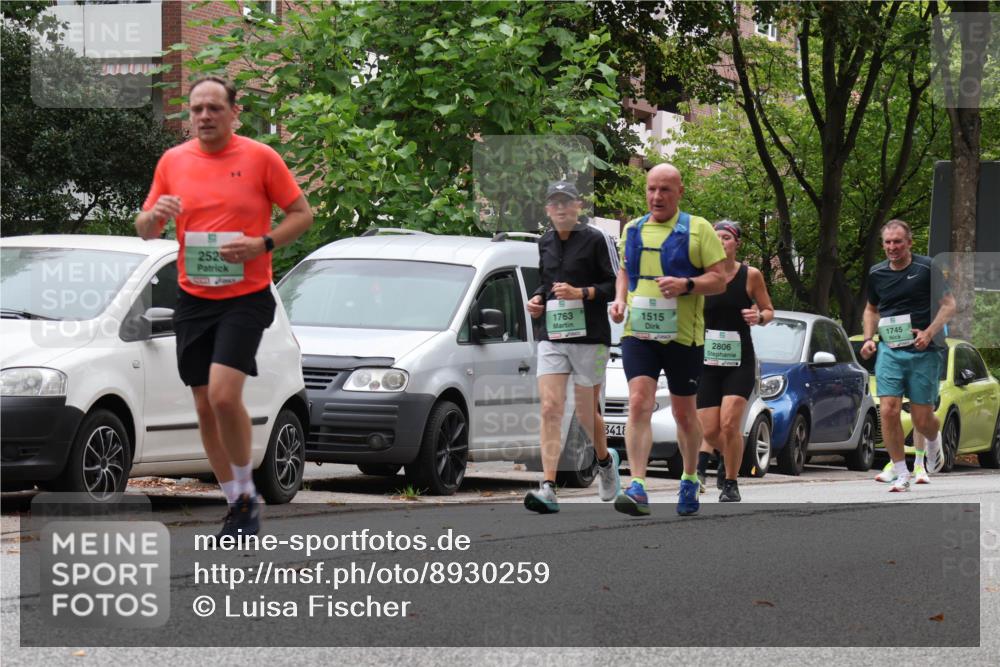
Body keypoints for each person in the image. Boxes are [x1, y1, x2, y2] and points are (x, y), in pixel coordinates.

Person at [135, 76, 314, 535]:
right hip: (194, 297)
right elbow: (145, 228)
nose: (204, 116)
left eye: (214, 108)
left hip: (246, 295)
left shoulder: (260, 158)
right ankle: (238, 501)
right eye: (196, 109)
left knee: (222, 394)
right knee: (202, 405)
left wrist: (263, 243)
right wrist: (154, 217)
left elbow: (302, 214)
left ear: (234, 112)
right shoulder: (173, 162)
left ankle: (247, 489)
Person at [609, 164, 726, 516]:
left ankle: (689, 477)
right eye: (651, 189)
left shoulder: (699, 229)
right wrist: (619, 300)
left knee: (683, 413)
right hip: (639, 333)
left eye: (665, 190)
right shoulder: (633, 229)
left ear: (680, 192)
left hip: (683, 337)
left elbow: (719, 280)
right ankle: (639, 485)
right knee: (639, 402)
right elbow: (626, 271)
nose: (657, 196)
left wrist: (686, 285)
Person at [523, 181, 620, 513]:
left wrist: (582, 293)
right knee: (550, 407)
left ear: (579, 206)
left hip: (591, 339)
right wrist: (538, 298)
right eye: (555, 203)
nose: (561, 208)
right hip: (552, 335)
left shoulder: (597, 239)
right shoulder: (545, 242)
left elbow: (614, 284)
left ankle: (605, 463)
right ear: (548, 209)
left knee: (584, 412)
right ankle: (548, 487)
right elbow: (546, 283)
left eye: (567, 202)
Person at [860, 220, 955, 492]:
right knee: (888, 409)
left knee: (921, 418)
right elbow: (871, 309)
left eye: (898, 242)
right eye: (888, 242)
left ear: (909, 243)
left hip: (924, 351)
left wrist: (928, 332)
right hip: (890, 350)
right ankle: (901, 472)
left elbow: (949, 306)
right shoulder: (877, 273)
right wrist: (868, 339)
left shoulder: (927, 268)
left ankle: (934, 438)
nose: (892, 247)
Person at [693, 221, 774, 502]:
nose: (721, 242)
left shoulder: (750, 275)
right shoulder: (700, 275)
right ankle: (725, 458)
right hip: (706, 360)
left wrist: (759, 317)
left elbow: (768, 309)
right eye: (715, 238)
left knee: (729, 425)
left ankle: (730, 482)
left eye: (726, 237)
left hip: (739, 359)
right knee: (710, 430)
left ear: (736, 243)